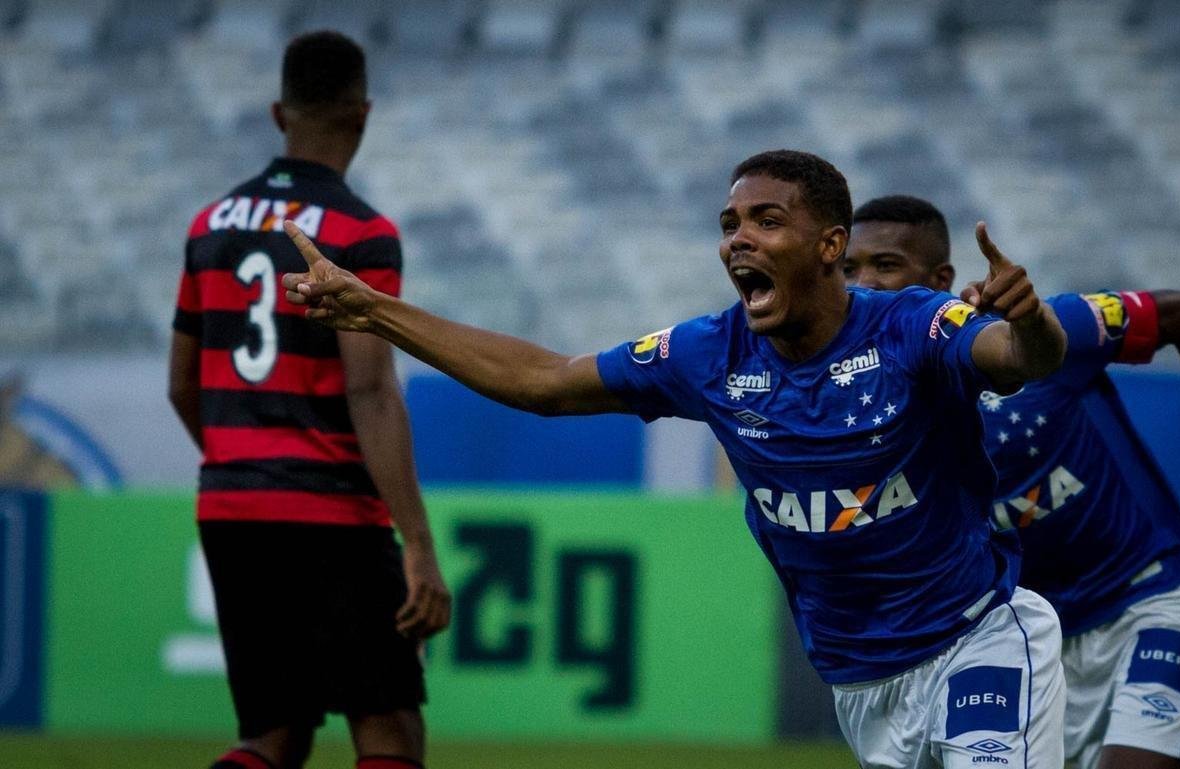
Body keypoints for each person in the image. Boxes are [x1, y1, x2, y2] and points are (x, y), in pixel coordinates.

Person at [279, 149, 1069, 768]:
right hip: (862, 683)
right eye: (730, 224)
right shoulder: (708, 352)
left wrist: (1031, 322)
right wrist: (375, 312)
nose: (739, 240)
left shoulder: (910, 326)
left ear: (831, 245)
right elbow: (547, 380)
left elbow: (1013, 357)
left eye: (766, 220)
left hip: (978, 638)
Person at [168, 31, 450, 769]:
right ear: (363, 115)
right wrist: (417, 543)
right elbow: (370, 389)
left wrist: (240, 463)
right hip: (329, 512)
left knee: (273, 734)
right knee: (389, 728)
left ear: (276, 112)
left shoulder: (208, 227)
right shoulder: (361, 233)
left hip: (231, 505)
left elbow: (181, 383)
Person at [846, 194, 1180, 769]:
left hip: (1151, 599)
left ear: (940, 278)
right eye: (848, 270)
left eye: (884, 265)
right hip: (1036, 641)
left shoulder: (1033, 331)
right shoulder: (860, 402)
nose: (863, 284)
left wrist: (1028, 323)